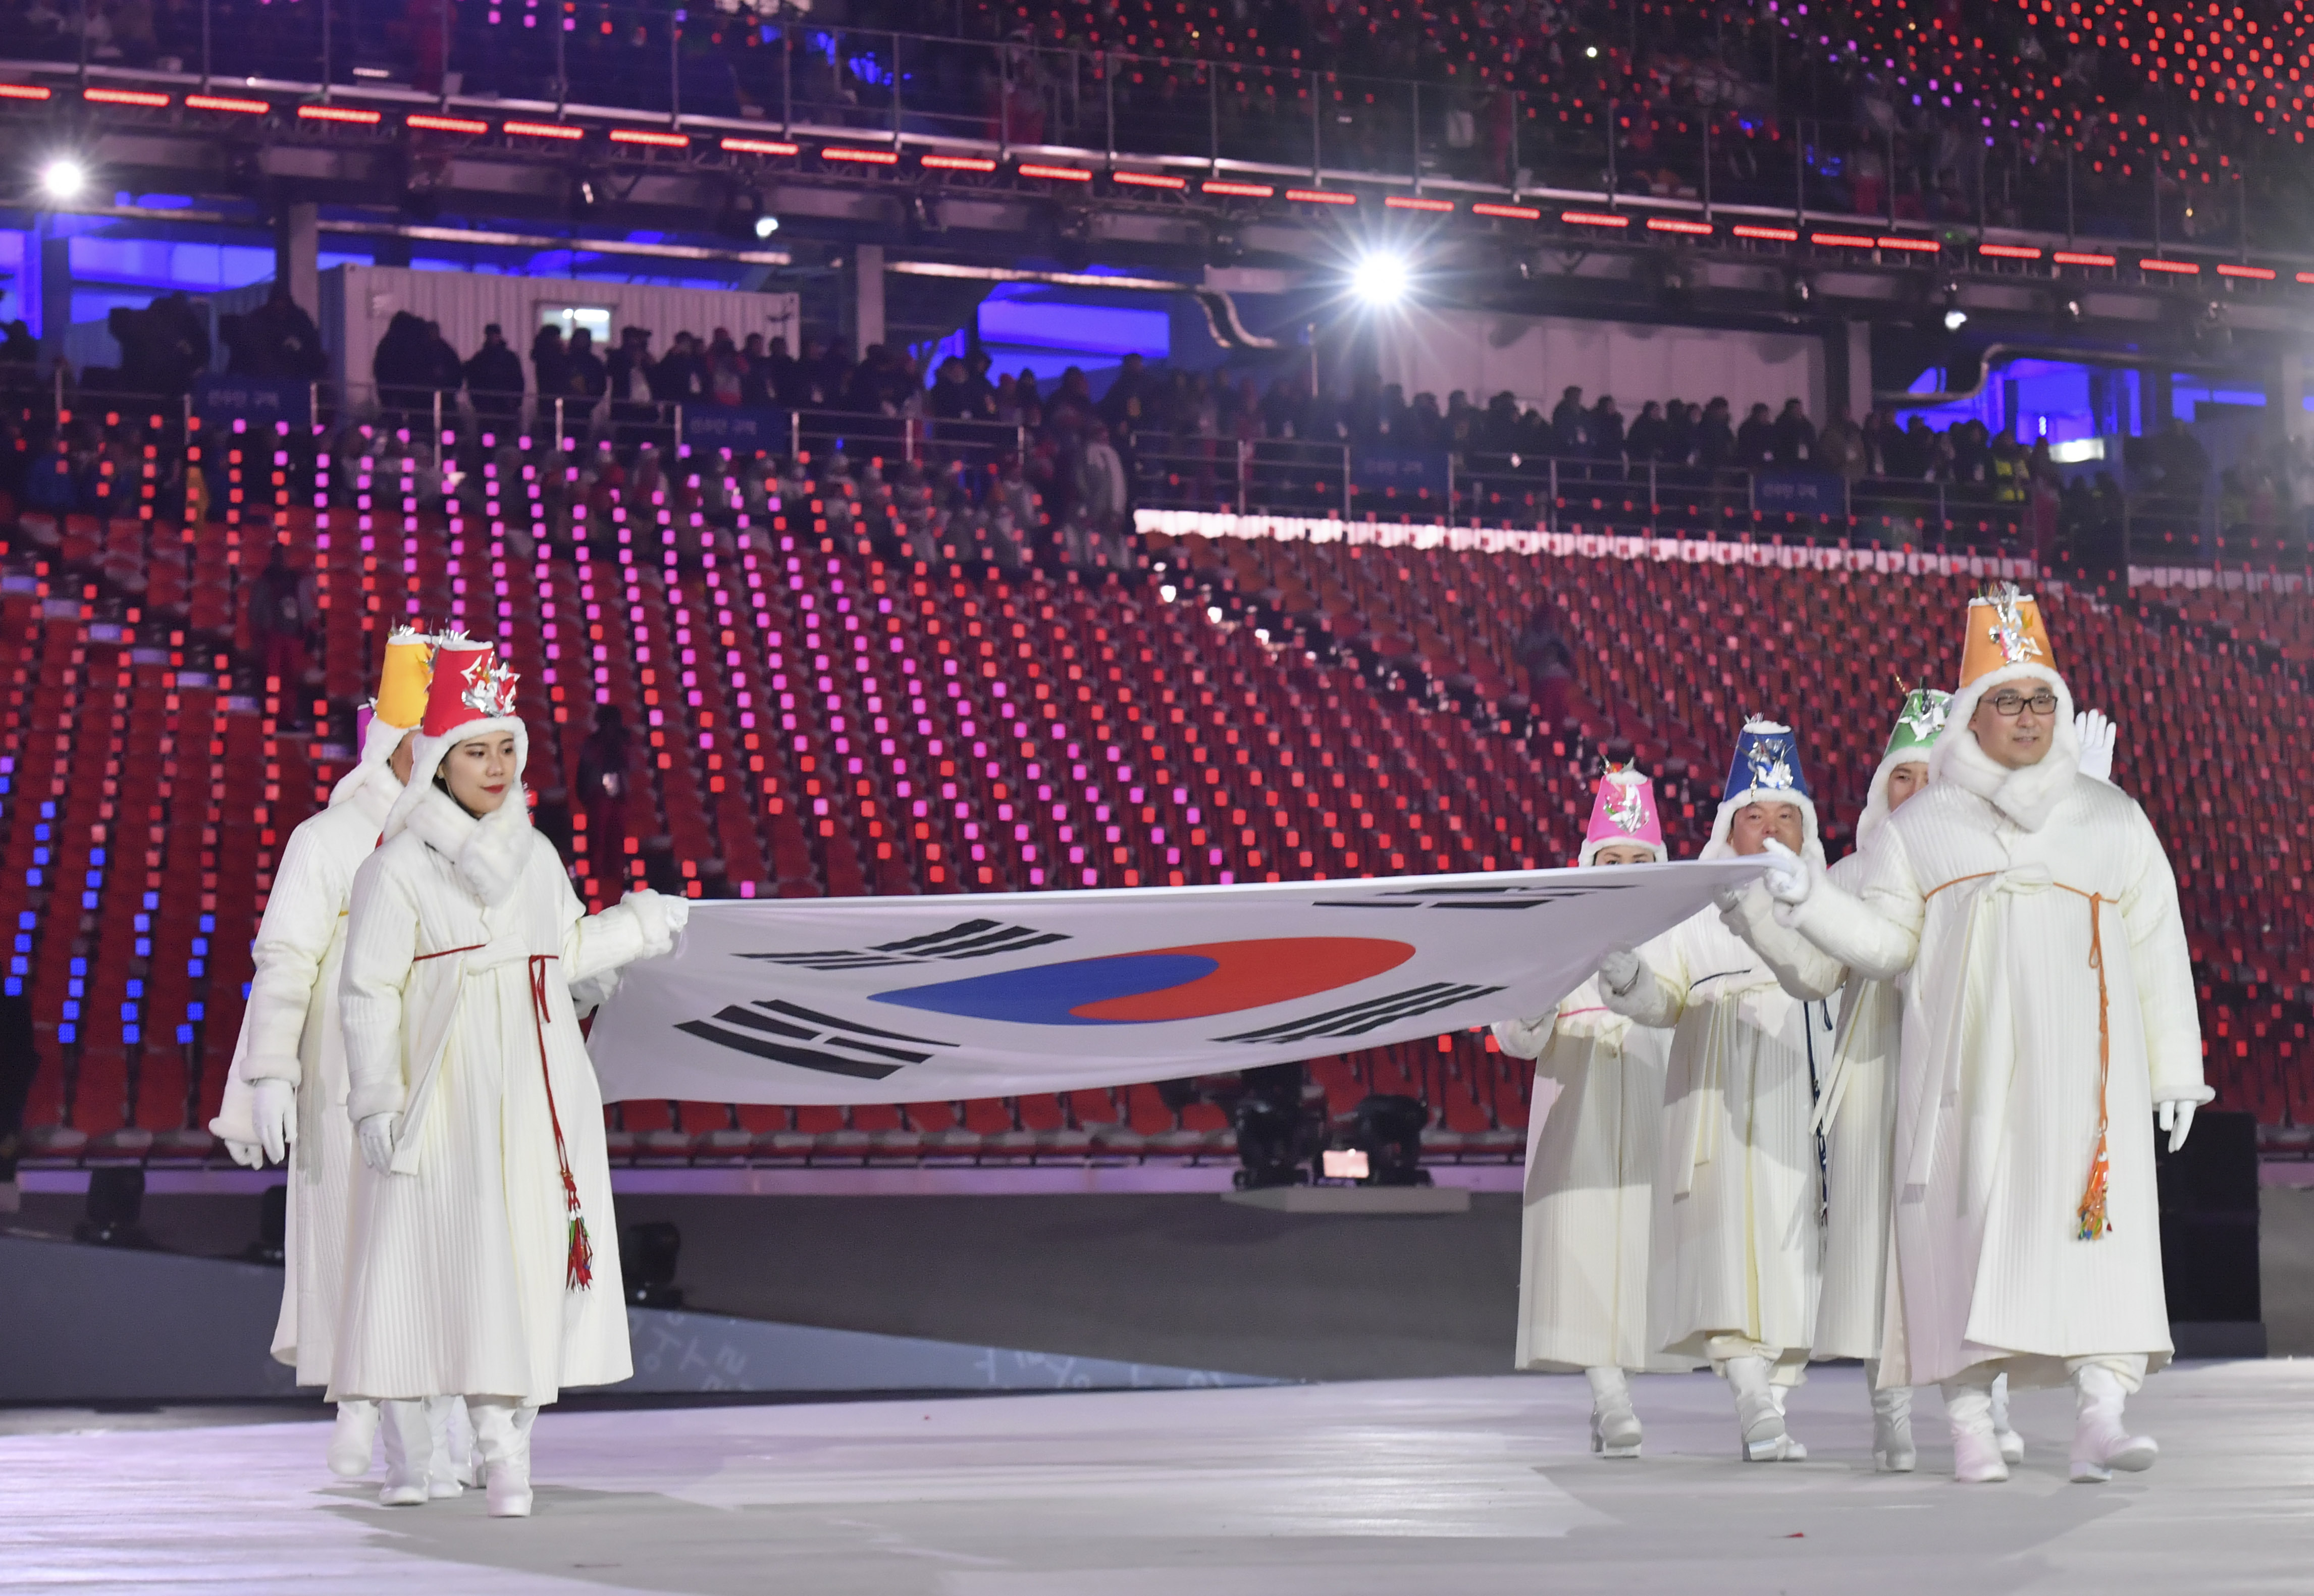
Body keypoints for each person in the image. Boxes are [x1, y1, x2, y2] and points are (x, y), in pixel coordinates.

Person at [1764, 587, 2202, 1485]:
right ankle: (1965, 1420)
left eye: (2041, 698)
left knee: (2098, 1236)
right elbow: (1886, 946)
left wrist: (2174, 1069)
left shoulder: (2108, 815)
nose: (2028, 717)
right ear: (1970, 715)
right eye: (2006, 700)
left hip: (2087, 1083)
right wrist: (1810, 903)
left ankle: (2100, 1413)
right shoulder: (1923, 826)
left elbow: (2156, 939)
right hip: (1965, 1079)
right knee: (1961, 1234)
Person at [336, 639, 688, 1517]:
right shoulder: (396, 870)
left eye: (505, 749)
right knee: (425, 1266)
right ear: (439, 764)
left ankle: (509, 1456)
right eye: (473, 751)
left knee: (523, 1261)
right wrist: (376, 1095)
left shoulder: (534, 857)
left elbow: (563, 952)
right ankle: (413, 1455)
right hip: (444, 1090)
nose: (493, 767)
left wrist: (640, 926)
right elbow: (368, 991)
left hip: (536, 1086)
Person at [207, 630, 443, 1499]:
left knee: (438, 1241)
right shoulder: (328, 838)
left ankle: (441, 1423)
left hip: (437, 1072)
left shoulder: (475, 843)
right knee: (355, 1230)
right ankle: (365, 1396)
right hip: (345, 1071)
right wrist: (271, 1071)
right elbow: (285, 958)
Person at [1597, 719, 1836, 1463]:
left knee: (1805, 1268)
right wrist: (1628, 977)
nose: (1769, 831)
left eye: (1785, 817)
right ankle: (1752, 1399)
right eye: (1753, 819)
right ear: (1727, 831)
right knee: (1730, 1258)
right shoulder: (1693, 913)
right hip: (1719, 1104)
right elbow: (1659, 999)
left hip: (1808, 1105)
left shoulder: (1835, 904)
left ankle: (1774, 1401)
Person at [1494, 765, 1695, 1458]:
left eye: (1641, 861)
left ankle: (1627, 1390)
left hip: (1648, 1094)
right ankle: (1610, 1400)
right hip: (1576, 1101)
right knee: (1581, 1253)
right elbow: (1517, 1039)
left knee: (1639, 1254)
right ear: (1589, 863)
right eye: (1614, 860)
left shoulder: (1680, 932)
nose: (1627, 871)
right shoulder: (1552, 930)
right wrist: (1537, 1001)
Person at [464, 325, 525, 427]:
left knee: (503, 431)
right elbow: (473, 380)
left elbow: (518, 380)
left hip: (505, 402)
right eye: (491, 335)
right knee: (490, 432)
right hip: (489, 402)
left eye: (495, 335)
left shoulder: (508, 358)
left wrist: (517, 401)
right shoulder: (481, 358)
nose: (493, 338)